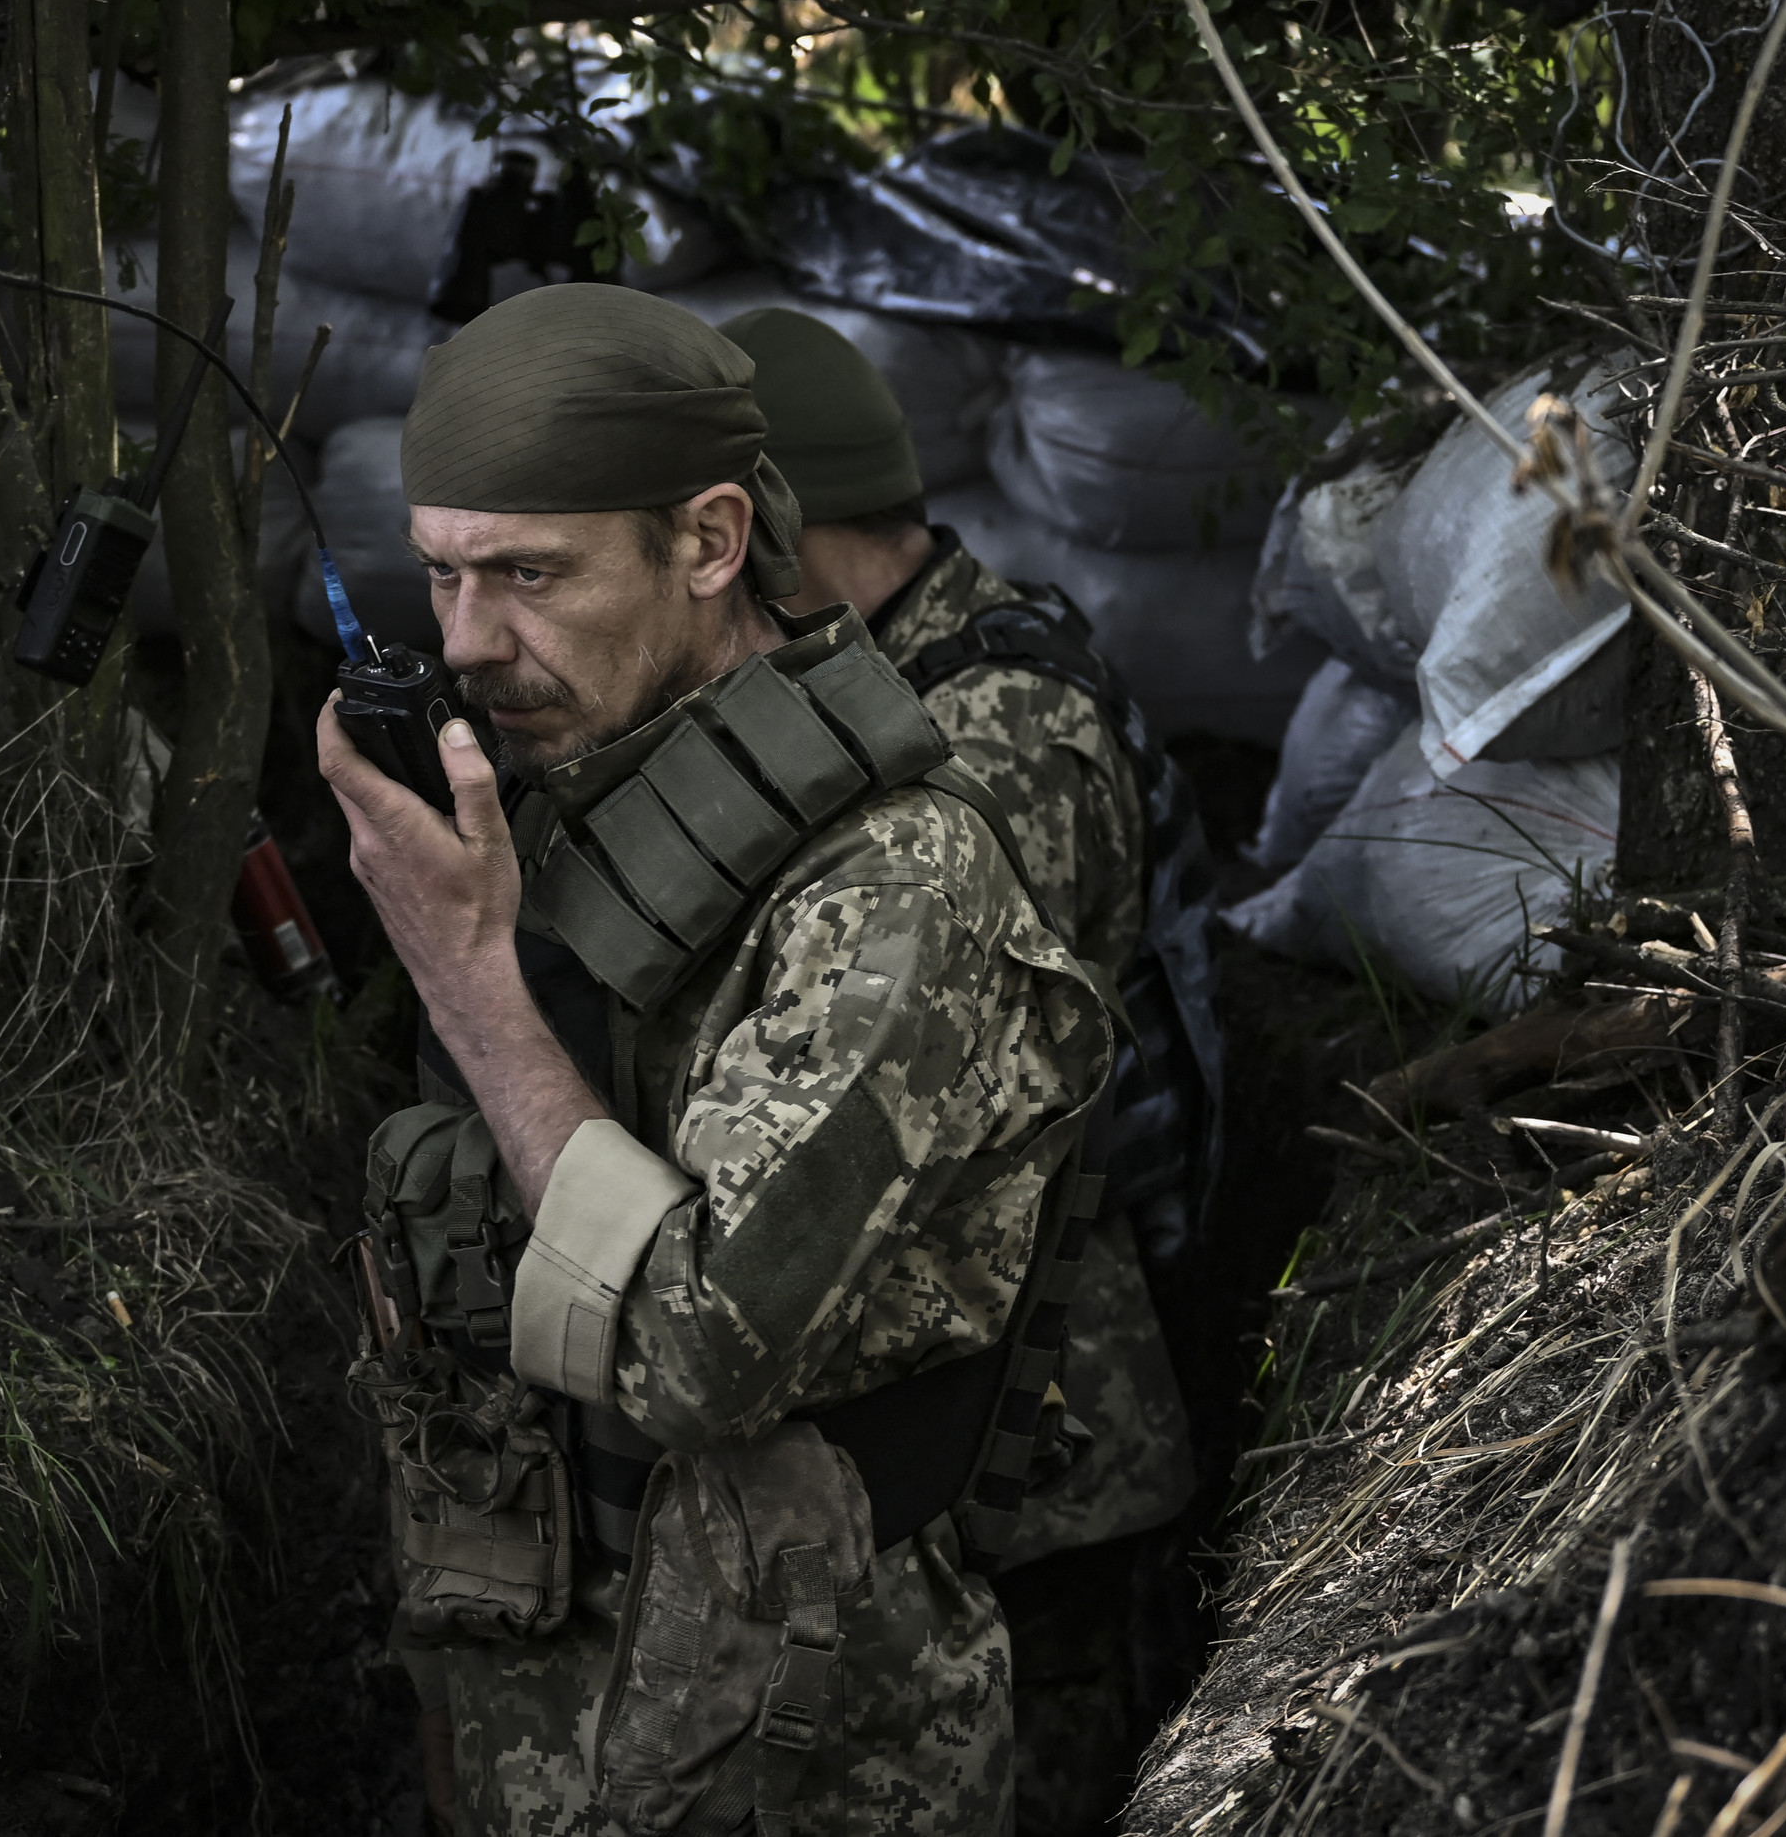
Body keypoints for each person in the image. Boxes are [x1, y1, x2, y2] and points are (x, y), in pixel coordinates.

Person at [318, 284, 1115, 1837]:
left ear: (709, 540)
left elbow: (696, 1354)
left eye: (532, 574)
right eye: (442, 574)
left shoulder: (896, 883)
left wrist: (473, 982)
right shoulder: (554, 801)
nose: (469, 643)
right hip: (531, 1674)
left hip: (793, 1745)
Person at [718, 305, 1229, 1837]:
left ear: (775, 530)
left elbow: (923, 1100)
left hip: (1042, 1427)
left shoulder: (995, 731)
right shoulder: (900, 675)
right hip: (959, 1409)